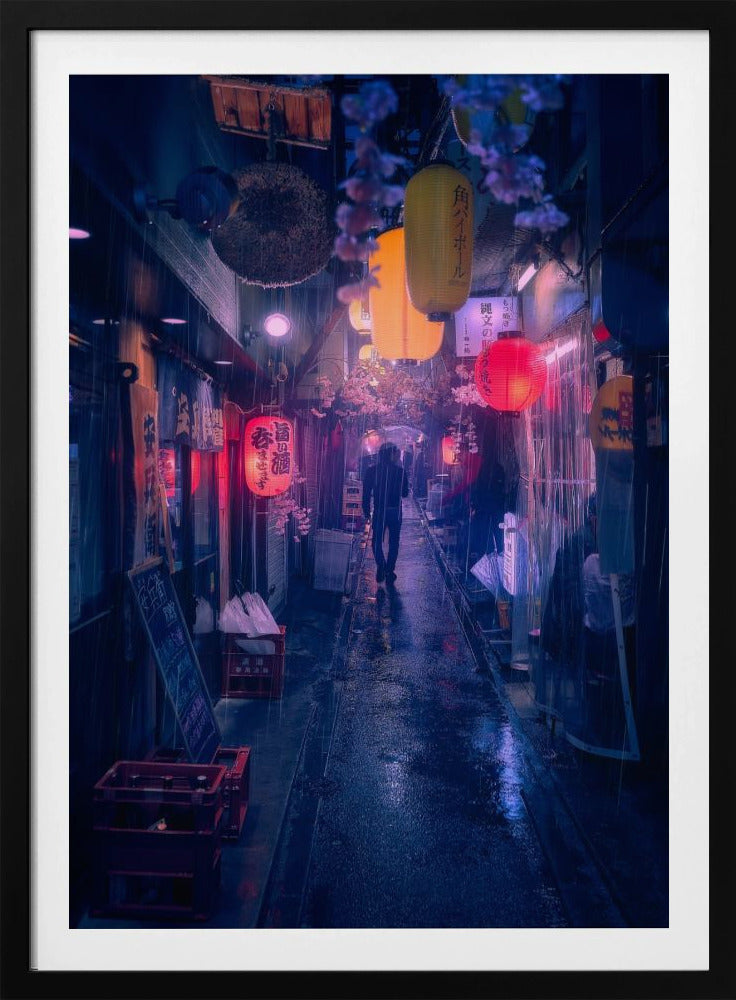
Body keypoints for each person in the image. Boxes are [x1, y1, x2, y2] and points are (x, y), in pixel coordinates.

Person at [362, 442, 408, 585]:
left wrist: (366, 510)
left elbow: (366, 493)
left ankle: (381, 564)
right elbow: (405, 494)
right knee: (394, 542)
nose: (398, 455)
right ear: (391, 454)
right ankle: (389, 570)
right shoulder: (400, 471)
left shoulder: (371, 471)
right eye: (396, 452)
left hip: (380, 510)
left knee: (376, 541)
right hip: (395, 511)